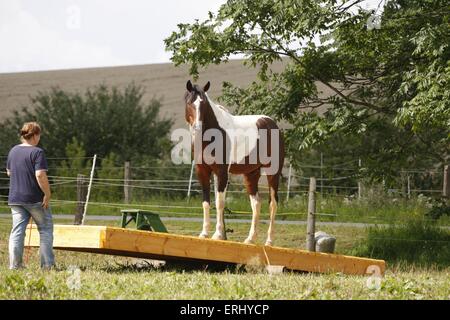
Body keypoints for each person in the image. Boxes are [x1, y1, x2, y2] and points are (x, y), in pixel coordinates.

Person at [6, 122, 55, 270]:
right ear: (34, 135)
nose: (39, 138)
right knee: (45, 229)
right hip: (34, 199)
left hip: (15, 198)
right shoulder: (37, 152)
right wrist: (47, 194)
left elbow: (9, 172)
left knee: (17, 231)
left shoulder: (13, 151)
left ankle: (15, 265)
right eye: (39, 135)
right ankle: (47, 266)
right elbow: (40, 175)